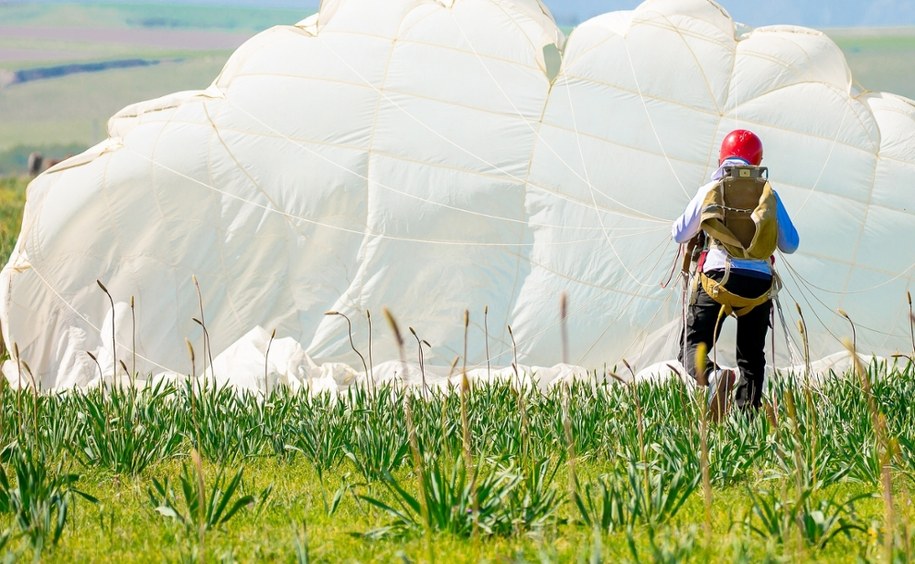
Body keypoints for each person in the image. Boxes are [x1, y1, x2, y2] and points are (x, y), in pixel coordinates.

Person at [671, 129, 799, 420]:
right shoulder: (769, 194)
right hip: (758, 286)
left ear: (721, 159)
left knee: (692, 346)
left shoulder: (710, 189)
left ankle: (713, 376)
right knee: (752, 359)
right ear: (758, 161)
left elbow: (679, 234)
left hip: (718, 279)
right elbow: (791, 244)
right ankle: (747, 424)